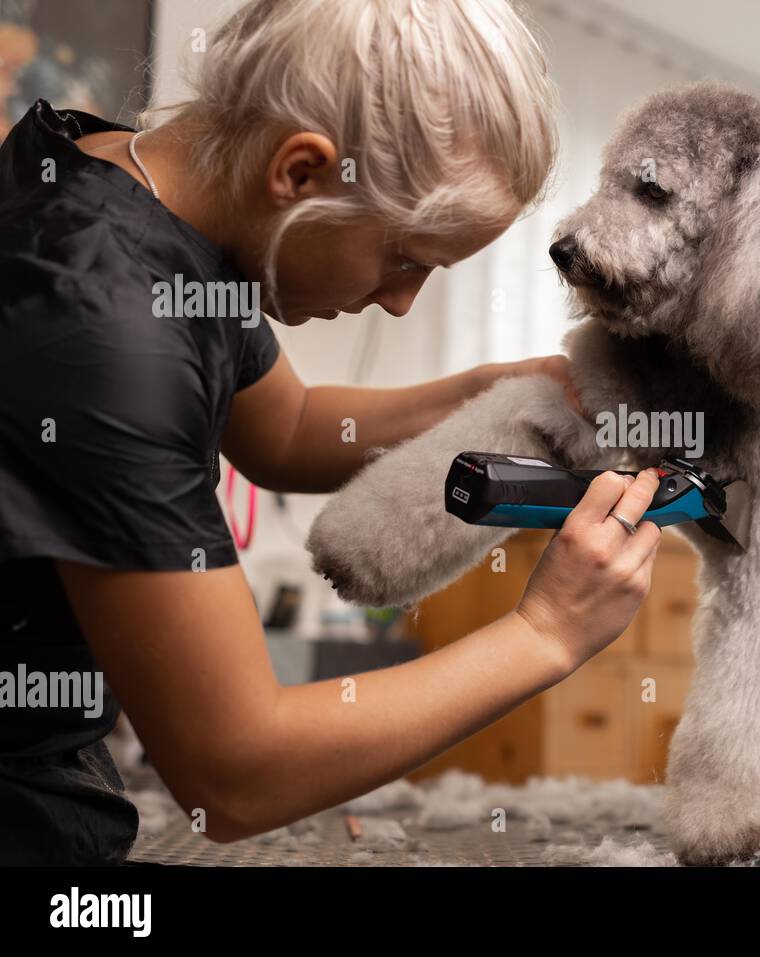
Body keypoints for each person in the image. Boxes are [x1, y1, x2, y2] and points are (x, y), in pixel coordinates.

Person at [0, 0, 661, 864]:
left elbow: (289, 427)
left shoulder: (128, 185)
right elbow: (236, 772)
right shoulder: (109, 323)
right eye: (406, 258)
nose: (399, 301)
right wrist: (547, 632)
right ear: (301, 172)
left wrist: (498, 388)